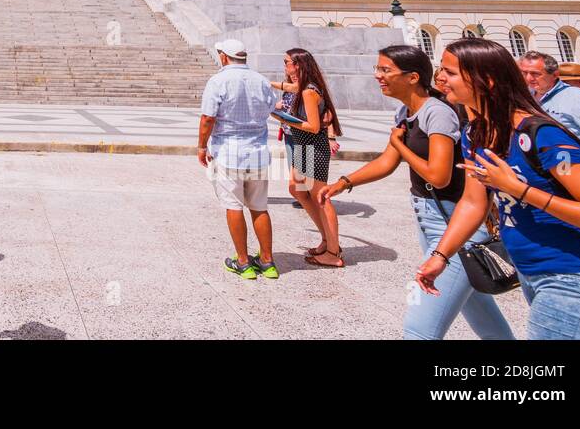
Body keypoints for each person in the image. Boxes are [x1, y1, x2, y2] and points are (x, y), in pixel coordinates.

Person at [416, 37, 580, 340]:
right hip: (531, 273)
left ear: (487, 80)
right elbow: (473, 202)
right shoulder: (477, 133)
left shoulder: (542, 135)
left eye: (450, 72)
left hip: (576, 276)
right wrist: (442, 255)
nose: (440, 78)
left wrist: (519, 190)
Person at [321, 45, 514, 339]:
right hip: (431, 221)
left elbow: (438, 176)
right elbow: (387, 161)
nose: (378, 75)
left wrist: (400, 146)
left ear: (412, 77)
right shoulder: (407, 111)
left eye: (385, 70)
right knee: (480, 313)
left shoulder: (437, 113)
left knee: (419, 329)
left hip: (455, 225)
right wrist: (345, 181)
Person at [197, 38, 278, 280]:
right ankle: (267, 262)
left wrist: (202, 146)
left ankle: (242, 262)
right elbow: (273, 107)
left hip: (229, 153)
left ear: (223, 56)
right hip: (257, 152)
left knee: (233, 206)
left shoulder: (218, 80)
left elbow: (208, 118)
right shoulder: (261, 80)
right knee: (260, 207)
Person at [272, 48, 344, 267]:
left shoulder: (308, 92)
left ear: (298, 65)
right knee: (297, 189)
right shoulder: (303, 87)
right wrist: (268, 84)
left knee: (321, 197)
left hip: (313, 146)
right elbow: (291, 87)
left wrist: (283, 118)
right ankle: (326, 239)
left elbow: (313, 126)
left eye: (287, 62)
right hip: (304, 146)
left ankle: (333, 252)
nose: (284, 66)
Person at [517, 50, 580, 171]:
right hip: (544, 173)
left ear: (555, 74)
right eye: (524, 73)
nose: (529, 78)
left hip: (577, 170)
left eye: (535, 74)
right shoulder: (525, 98)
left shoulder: (579, 98)